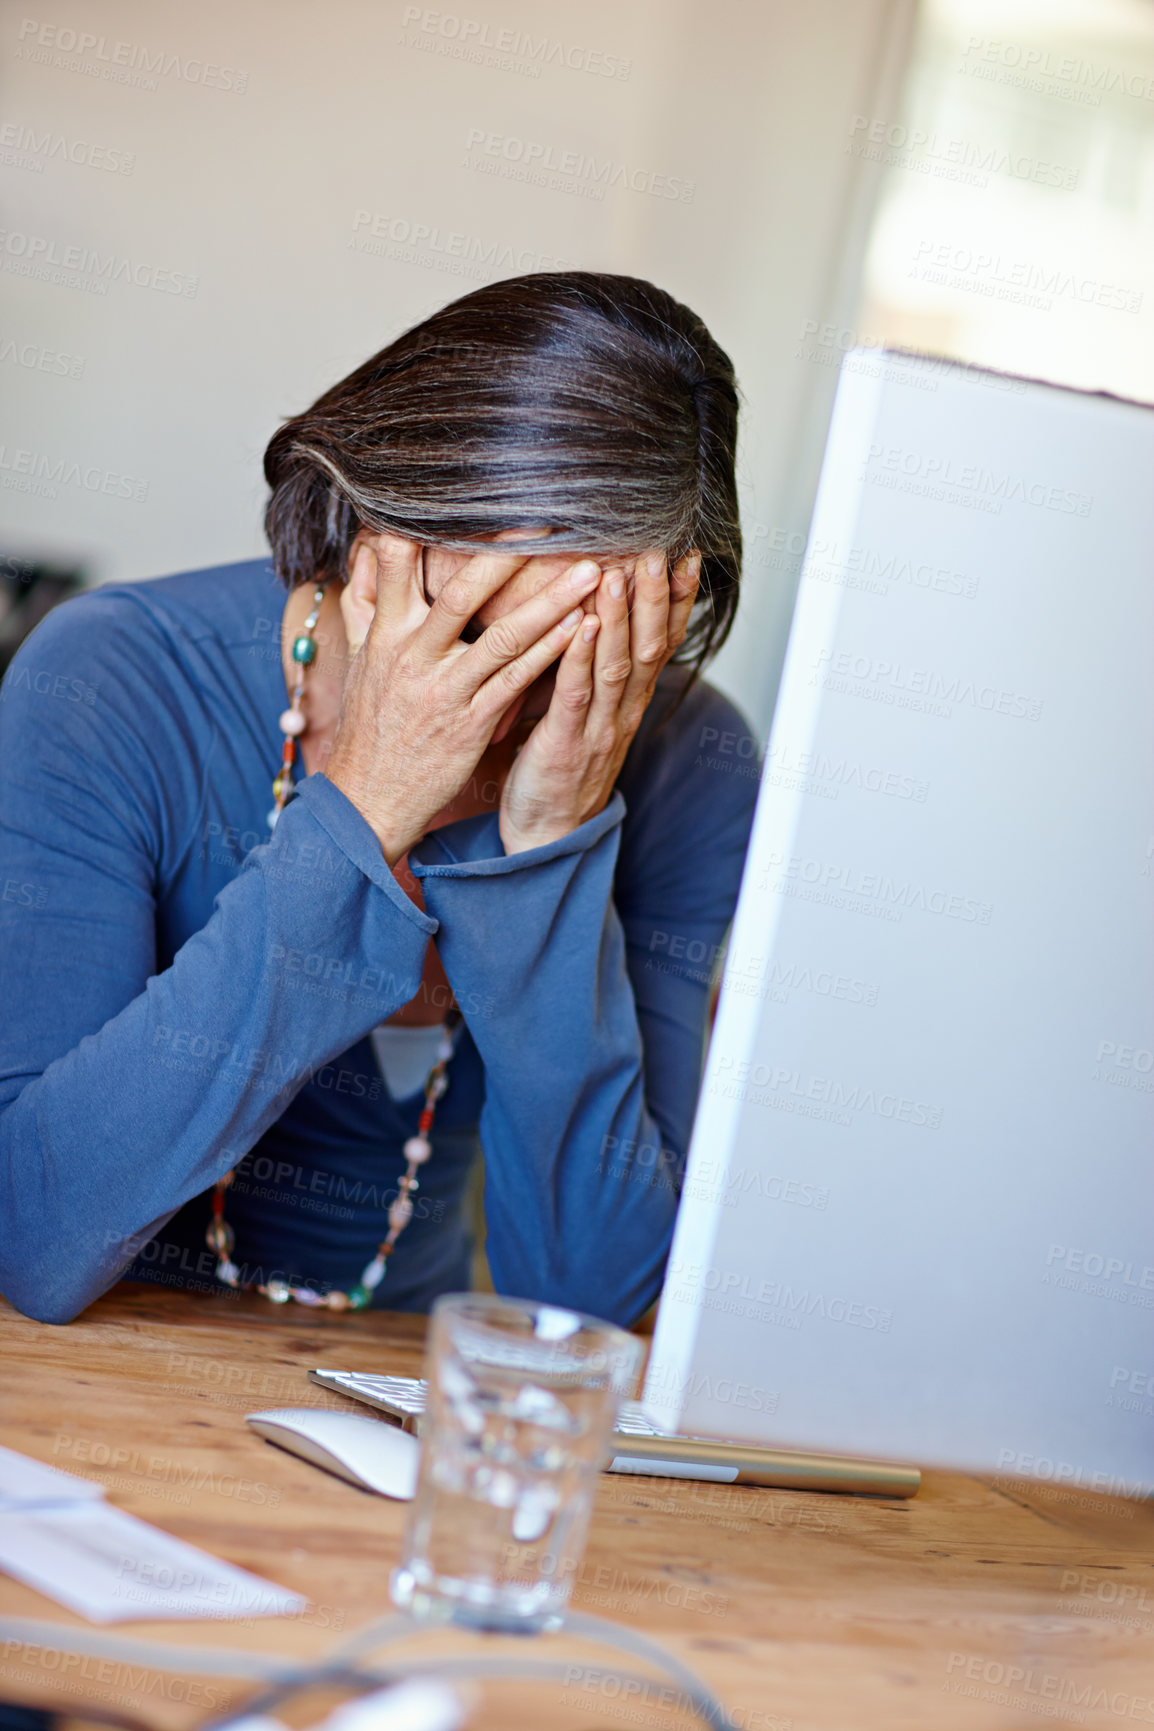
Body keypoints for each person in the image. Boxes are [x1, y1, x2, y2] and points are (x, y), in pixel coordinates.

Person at [0, 271, 758, 1327]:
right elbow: (34, 1238)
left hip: (412, 1397)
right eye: (487, 633)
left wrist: (550, 847)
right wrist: (358, 807)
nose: (522, 710)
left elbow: (598, 1310)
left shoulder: (687, 760)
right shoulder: (111, 676)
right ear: (369, 536)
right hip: (102, 1381)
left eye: (597, 653)